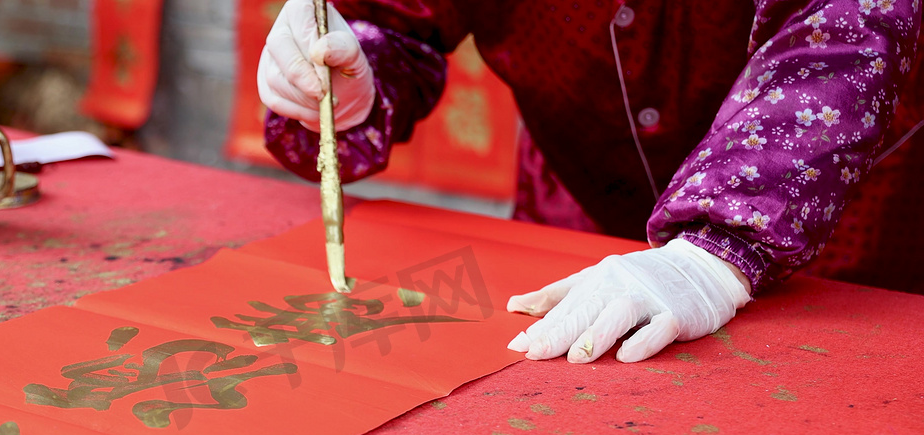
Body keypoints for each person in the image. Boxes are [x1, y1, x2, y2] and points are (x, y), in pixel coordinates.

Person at [257, 0, 923, 363]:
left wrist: (715, 253)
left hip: (838, 246)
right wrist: (352, 73)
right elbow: (396, 18)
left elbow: (843, 31)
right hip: (575, 228)